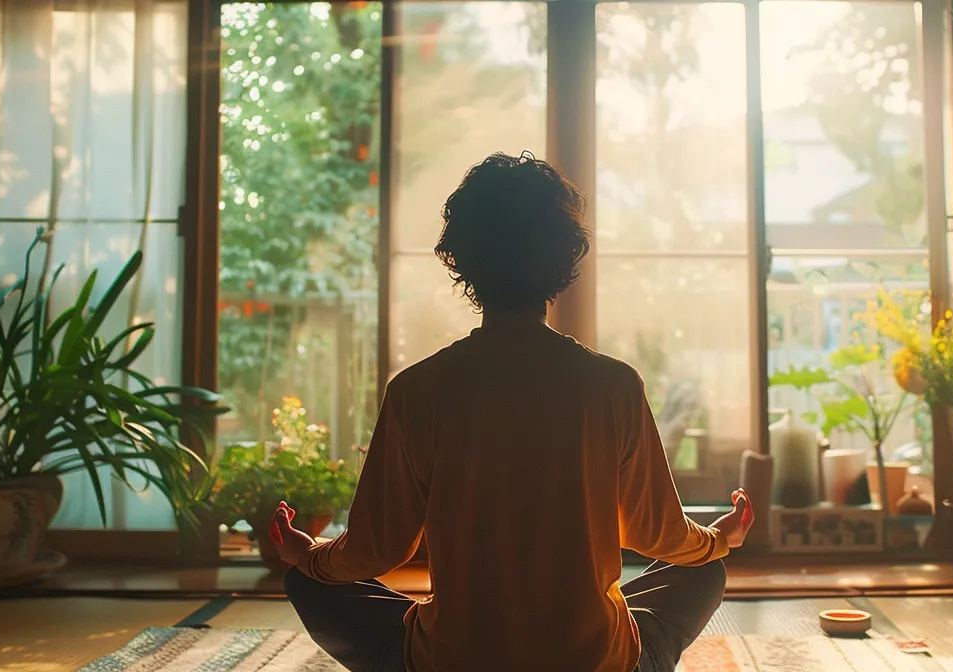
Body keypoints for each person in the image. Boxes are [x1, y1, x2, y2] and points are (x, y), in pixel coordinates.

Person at [271, 152, 755, 672]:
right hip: (594, 662)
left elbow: (374, 551)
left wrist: (309, 556)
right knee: (704, 571)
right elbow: (657, 536)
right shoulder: (612, 385)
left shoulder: (418, 389)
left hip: (453, 661)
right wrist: (719, 539)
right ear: (564, 256)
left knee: (310, 582)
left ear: (460, 256)